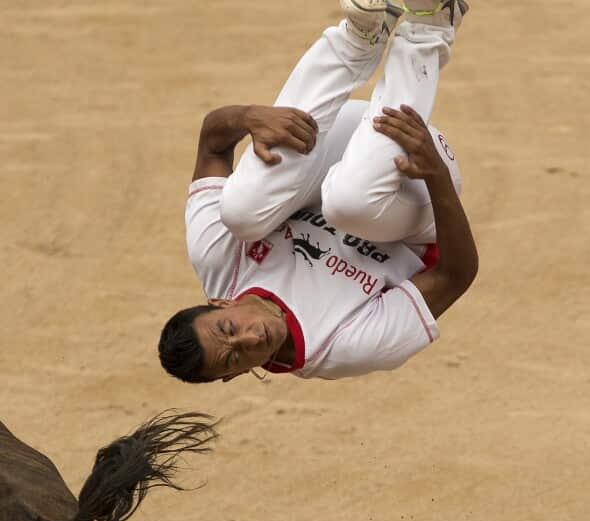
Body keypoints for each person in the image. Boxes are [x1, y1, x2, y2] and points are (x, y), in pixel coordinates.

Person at [158, 0, 477, 382]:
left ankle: (358, 34)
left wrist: (249, 118)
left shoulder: (218, 261)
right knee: (349, 204)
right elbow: (456, 274)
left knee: (241, 212)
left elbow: (212, 142)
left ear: (220, 302)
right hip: (417, 181)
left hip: (341, 139)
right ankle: (430, 24)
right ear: (233, 376)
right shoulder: (340, 347)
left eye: (228, 328)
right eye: (235, 359)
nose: (249, 339)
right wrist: (436, 172)